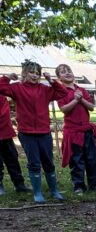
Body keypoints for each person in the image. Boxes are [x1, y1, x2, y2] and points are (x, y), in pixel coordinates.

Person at [0, 61, 64, 202]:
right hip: (26, 132)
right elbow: (1, 87)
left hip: (44, 132)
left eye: (37, 73)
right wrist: (7, 78)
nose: (34, 75)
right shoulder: (17, 88)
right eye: (31, 72)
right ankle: (37, 193)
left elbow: (62, 93)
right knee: (34, 162)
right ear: (24, 73)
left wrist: (51, 80)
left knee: (48, 161)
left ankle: (54, 191)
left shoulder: (45, 89)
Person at [54, 64, 96, 194]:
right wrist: (75, 100)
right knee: (76, 160)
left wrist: (80, 99)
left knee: (93, 158)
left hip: (86, 131)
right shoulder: (61, 92)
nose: (67, 73)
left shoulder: (81, 89)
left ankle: (95, 185)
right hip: (73, 132)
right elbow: (64, 109)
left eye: (69, 70)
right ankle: (79, 186)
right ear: (59, 78)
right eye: (63, 72)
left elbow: (91, 107)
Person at [0, 92, 30, 196]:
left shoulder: (2, 98)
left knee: (12, 159)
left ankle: (19, 184)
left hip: (5, 134)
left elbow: (4, 114)